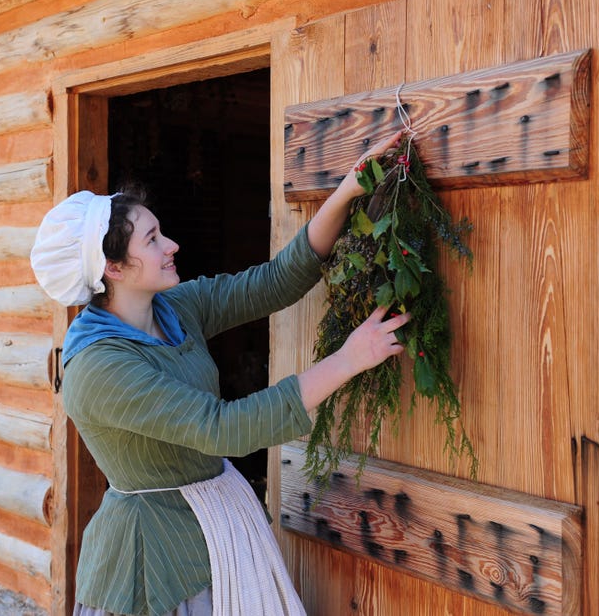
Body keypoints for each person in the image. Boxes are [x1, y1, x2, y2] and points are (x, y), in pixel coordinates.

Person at [30, 133, 409, 616]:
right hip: (155, 566)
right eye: (151, 240)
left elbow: (270, 284)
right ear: (113, 267)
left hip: (218, 528)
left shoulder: (171, 309)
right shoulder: (99, 368)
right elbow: (222, 428)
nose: (171, 245)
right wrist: (348, 359)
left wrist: (347, 191)